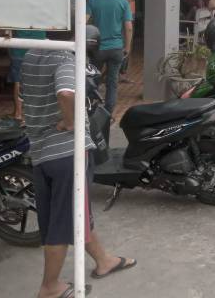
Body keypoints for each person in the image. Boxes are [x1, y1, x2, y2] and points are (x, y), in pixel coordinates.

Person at [21, 27, 136, 298]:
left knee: (72, 215)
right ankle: (50, 287)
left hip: (40, 153)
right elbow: (65, 93)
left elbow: (29, 95)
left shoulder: (32, 54)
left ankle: (104, 260)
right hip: (66, 155)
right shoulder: (65, 58)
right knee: (63, 226)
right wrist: (71, 122)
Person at [86, 0, 133, 114]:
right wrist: (127, 47)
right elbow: (129, 27)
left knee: (93, 79)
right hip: (116, 48)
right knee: (112, 83)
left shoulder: (93, 0)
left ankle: (90, 110)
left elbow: (84, 21)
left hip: (98, 49)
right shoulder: (123, 2)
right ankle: (108, 113)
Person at [8, 28, 48, 120]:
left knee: (18, 80)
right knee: (38, 79)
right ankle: (36, 113)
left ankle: (18, 113)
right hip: (38, 46)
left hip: (19, 47)